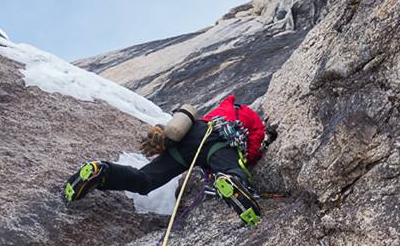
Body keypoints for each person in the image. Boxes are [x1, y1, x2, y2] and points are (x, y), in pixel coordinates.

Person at [63, 94, 277, 225]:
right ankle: (233, 184)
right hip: (216, 140)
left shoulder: (219, 109)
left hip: (186, 140)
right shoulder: (248, 116)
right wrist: (253, 154)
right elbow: (253, 145)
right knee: (232, 168)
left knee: (145, 179)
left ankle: (102, 172)